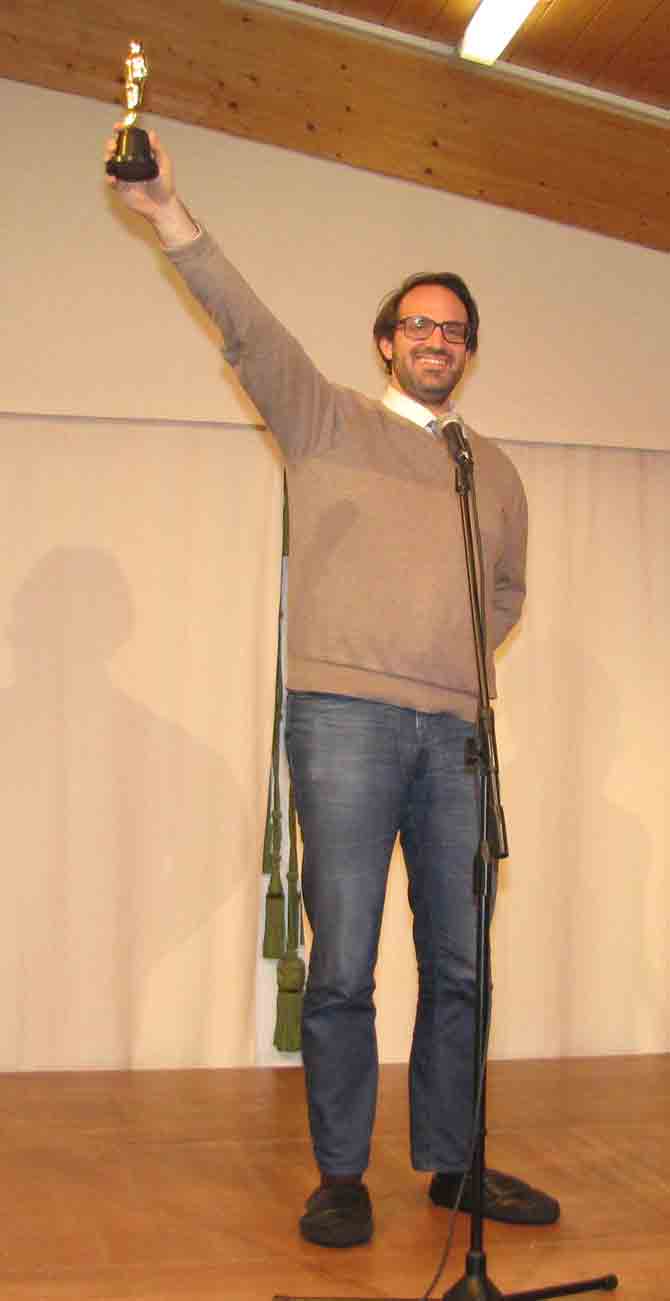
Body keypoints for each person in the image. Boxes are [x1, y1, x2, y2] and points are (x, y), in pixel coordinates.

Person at [104, 129, 559, 1247]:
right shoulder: (325, 418)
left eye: (454, 331)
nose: (437, 341)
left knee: (462, 962)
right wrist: (168, 215)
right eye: (419, 325)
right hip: (344, 724)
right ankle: (342, 1173)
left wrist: (449, 663)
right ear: (386, 342)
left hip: (458, 738)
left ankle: (452, 1162)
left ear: (469, 353)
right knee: (345, 959)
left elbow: (503, 593)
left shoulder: (493, 470)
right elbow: (246, 325)